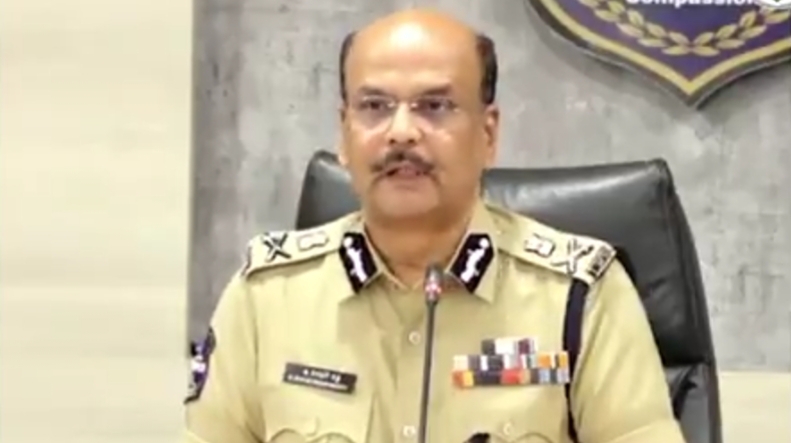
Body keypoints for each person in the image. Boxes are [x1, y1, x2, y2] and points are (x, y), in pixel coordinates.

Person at [181, 8, 686, 443]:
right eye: (374, 107)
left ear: (488, 134)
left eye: (435, 106)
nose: (402, 131)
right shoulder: (266, 297)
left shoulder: (579, 296)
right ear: (344, 133)